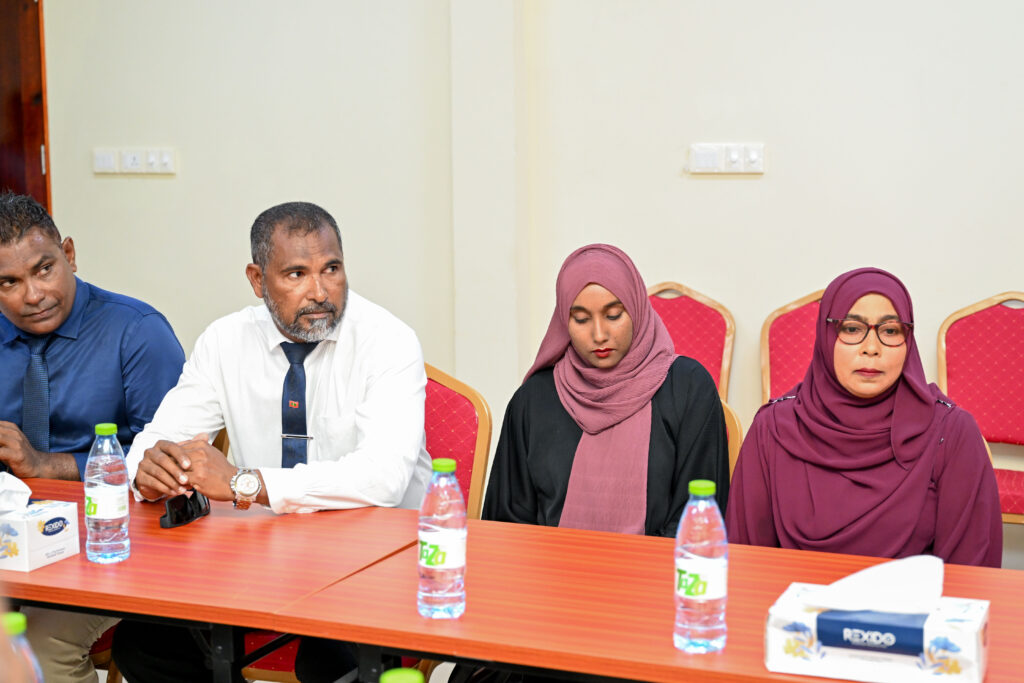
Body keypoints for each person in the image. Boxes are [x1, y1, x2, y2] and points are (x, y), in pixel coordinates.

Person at [112, 201, 432, 683]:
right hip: (264, 558)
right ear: (258, 280)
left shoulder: (388, 341)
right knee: (146, 644)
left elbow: (383, 478)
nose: (320, 291)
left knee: (330, 660)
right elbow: (159, 438)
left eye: (331, 269)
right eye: (296, 274)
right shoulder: (225, 341)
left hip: (374, 560)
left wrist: (244, 483)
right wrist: (151, 469)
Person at [0, 191, 185, 682]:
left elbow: (174, 465)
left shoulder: (137, 332)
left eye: (44, 270)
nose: (32, 295)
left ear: (70, 254)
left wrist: (47, 465)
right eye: (8, 282)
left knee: (39, 648)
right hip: (12, 536)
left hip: (115, 543)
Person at [726, 267, 1002, 567]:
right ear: (826, 335)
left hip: (907, 600)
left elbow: (970, 573)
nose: (871, 349)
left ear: (908, 340)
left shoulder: (950, 433)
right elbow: (744, 562)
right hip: (788, 597)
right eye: (852, 329)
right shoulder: (774, 428)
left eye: (890, 331)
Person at [482, 243, 730, 536]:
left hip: (660, 566)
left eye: (613, 315)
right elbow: (507, 526)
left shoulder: (688, 389)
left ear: (636, 309)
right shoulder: (534, 400)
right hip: (549, 566)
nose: (599, 335)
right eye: (581, 319)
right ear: (564, 321)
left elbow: (698, 520)